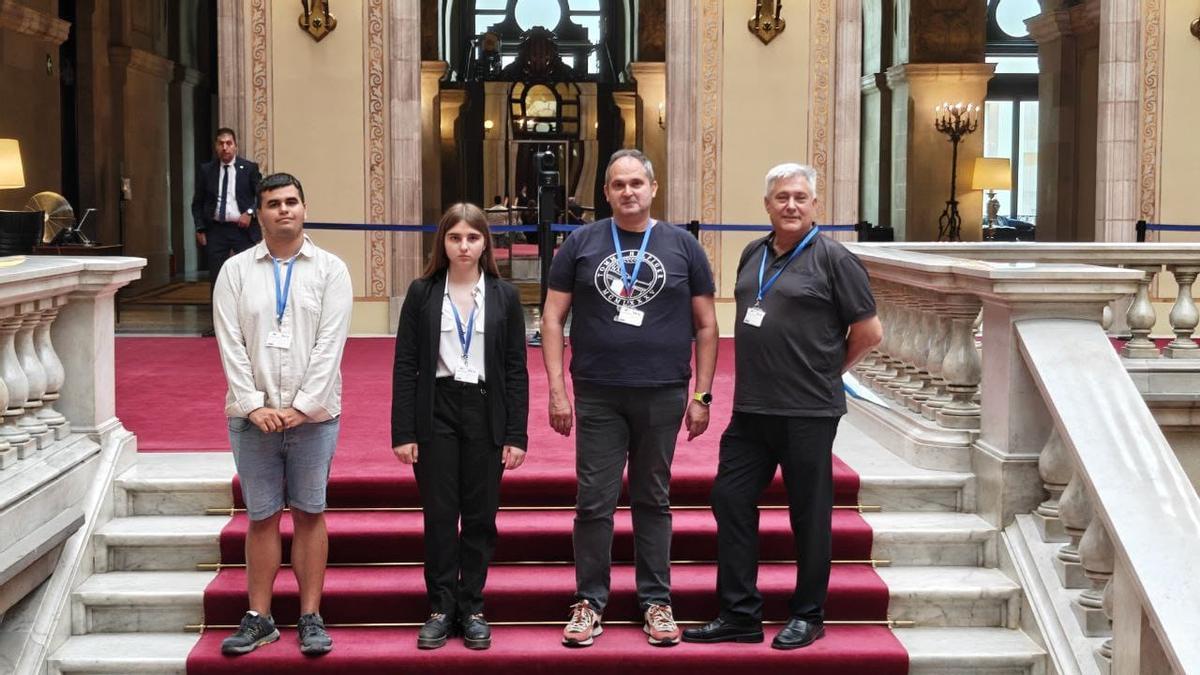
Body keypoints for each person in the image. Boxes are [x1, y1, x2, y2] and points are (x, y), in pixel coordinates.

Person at [682, 163, 882, 650]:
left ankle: (808, 615)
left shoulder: (835, 260)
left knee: (808, 515)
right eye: (781, 197)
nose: (790, 205)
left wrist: (828, 371)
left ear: (815, 205)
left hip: (808, 412)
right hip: (751, 411)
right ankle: (740, 614)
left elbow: (869, 332)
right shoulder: (754, 254)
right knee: (729, 499)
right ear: (767, 204)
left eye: (799, 197)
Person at [541, 148, 718, 648]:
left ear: (653, 188)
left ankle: (656, 601)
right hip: (597, 393)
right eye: (618, 184)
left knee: (653, 498)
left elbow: (707, 326)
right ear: (606, 192)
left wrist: (702, 394)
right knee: (593, 501)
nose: (628, 192)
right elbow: (552, 318)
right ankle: (589, 602)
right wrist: (557, 389)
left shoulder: (683, 246)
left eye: (637, 183)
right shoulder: (581, 242)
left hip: (663, 392)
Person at [213, 172, 353, 657]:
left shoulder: (331, 270)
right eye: (274, 203)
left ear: (305, 208)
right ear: (260, 213)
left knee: (311, 512)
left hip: (313, 418)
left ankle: (311, 616)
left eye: (292, 201)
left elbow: (330, 345)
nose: (284, 210)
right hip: (251, 418)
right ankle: (260, 618)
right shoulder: (234, 271)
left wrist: (299, 408)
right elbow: (229, 344)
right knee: (262, 516)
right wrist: (254, 406)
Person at [391, 203, 529, 651]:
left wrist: (516, 434)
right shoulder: (423, 292)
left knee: (480, 516)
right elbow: (406, 365)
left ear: (486, 242)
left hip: (487, 410)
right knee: (439, 514)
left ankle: (472, 607)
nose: (464, 246)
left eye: (472, 237)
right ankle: (439, 607)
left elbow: (515, 370)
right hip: (437, 409)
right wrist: (403, 431)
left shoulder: (504, 296)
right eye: (455, 238)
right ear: (443, 243)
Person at [192, 128, 263, 309]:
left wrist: (249, 212)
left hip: (243, 230)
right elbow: (197, 202)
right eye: (221, 144)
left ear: (235, 146)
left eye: (229, 143)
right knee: (218, 277)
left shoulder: (249, 169)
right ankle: (218, 322)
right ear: (216, 147)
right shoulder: (207, 170)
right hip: (216, 230)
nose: (225, 148)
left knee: (247, 275)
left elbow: (261, 196)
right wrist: (200, 227)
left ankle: (247, 319)